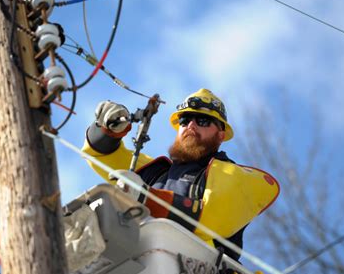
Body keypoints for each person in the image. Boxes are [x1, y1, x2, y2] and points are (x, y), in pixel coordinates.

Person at [82, 88, 279, 260]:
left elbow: (211, 217)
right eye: (185, 120)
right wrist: (107, 131)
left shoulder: (233, 176)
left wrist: (146, 197)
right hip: (144, 263)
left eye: (203, 120)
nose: (191, 126)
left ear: (221, 135)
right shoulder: (158, 173)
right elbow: (103, 156)